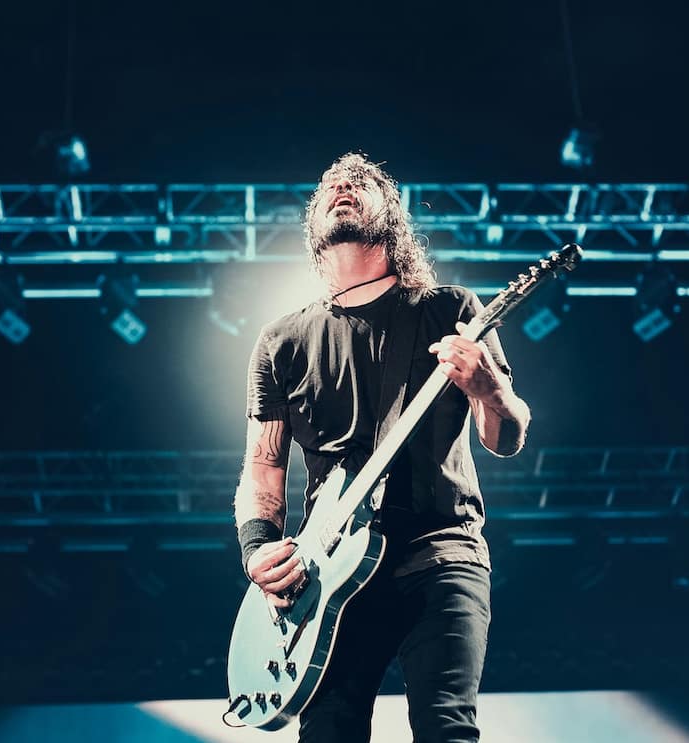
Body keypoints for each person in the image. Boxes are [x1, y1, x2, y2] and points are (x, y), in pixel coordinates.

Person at [234, 152, 530, 742]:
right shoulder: (281, 341)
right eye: (330, 185)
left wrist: (489, 388)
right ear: (313, 220)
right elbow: (263, 466)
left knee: (446, 727)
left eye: (360, 183)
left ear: (390, 213)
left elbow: (507, 437)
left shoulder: (451, 311)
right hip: (327, 572)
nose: (342, 187)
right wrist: (258, 548)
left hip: (440, 551)